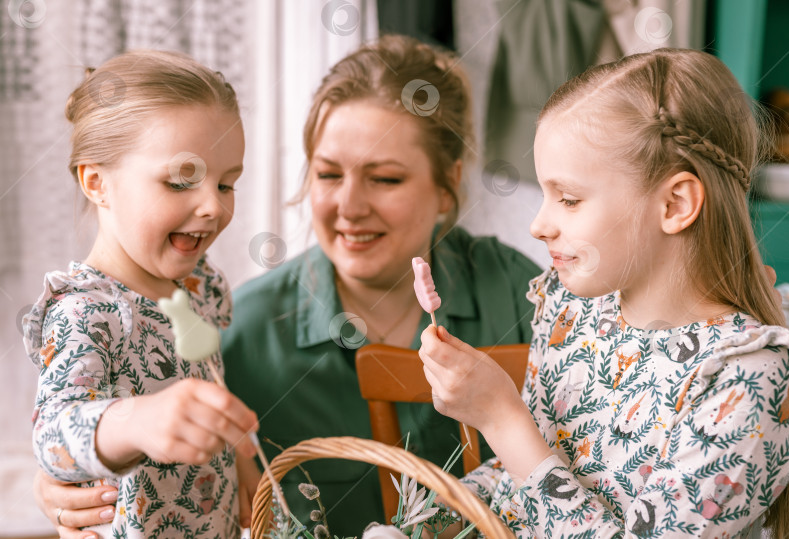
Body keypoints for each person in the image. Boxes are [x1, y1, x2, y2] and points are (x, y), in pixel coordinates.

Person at [33, 35, 541, 537]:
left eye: (385, 178)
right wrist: (75, 464)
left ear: (448, 183)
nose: (350, 206)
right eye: (326, 174)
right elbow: (85, 417)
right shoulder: (249, 332)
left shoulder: (528, 300)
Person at [419, 48, 789, 537]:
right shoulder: (572, 313)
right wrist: (423, 528)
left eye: (569, 199)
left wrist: (502, 420)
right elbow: (515, 484)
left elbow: (523, 451)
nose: (539, 225)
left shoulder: (745, 380)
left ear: (675, 204)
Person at [23, 50, 259, 538]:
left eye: (227, 183)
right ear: (97, 183)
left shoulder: (200, 288)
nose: (213, 206)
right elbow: (52, 436)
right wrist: (135, 420)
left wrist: (243, 464)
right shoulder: (85, 310)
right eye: (181, 181)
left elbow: (211, 391)